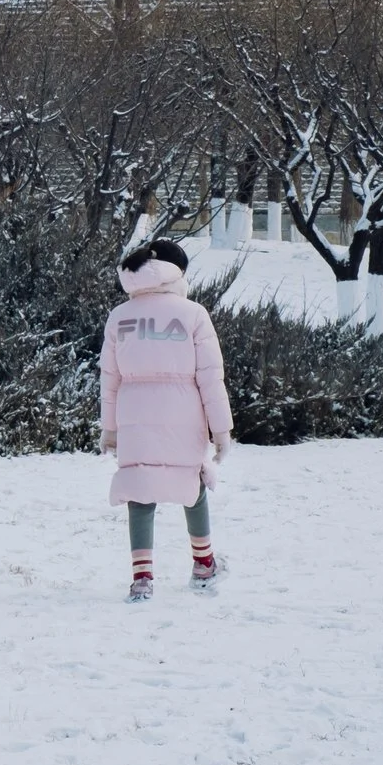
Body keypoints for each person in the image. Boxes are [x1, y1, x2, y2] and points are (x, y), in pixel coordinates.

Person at [98, 237, 234, 601]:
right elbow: (210, 377)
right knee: (193, 485)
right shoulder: (193, 314)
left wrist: (109, 429)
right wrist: (221, 430)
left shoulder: (119, 317)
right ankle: (204, 565)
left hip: (133, 416)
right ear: (178, 274)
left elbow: (109, 380)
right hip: (184, 414)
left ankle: (142, 578)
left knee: (140, 491)